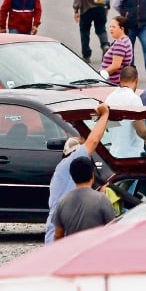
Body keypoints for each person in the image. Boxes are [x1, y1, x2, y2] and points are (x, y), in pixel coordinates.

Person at [45, 103, 109, 244]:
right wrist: (104, 115)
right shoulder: (71, 161)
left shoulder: (62, 172)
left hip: (58, 239)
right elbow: (93, 141)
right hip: (63, 241)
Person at [107, 66, 146, 159]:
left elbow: (112, 127)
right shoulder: (134, 99)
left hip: (114, 155)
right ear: (136, 80)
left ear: (119, 79)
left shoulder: (109, 98)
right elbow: (141, 131)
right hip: (132, 156)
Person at [52, 156, 115, 241]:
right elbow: (113, 231)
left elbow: (58, 236)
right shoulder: (102, 199)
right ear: (92, 175)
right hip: (96, 251)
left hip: (74, 252)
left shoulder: (62, 202)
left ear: (72, 176)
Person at [101, 16, 133, 84]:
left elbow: (116, 66)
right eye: (110, 26)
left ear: (122, 29)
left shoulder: (120, 43)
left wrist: (101, 74)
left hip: (113, 83)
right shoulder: (126, 40)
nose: (111, 29)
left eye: (114, 27)